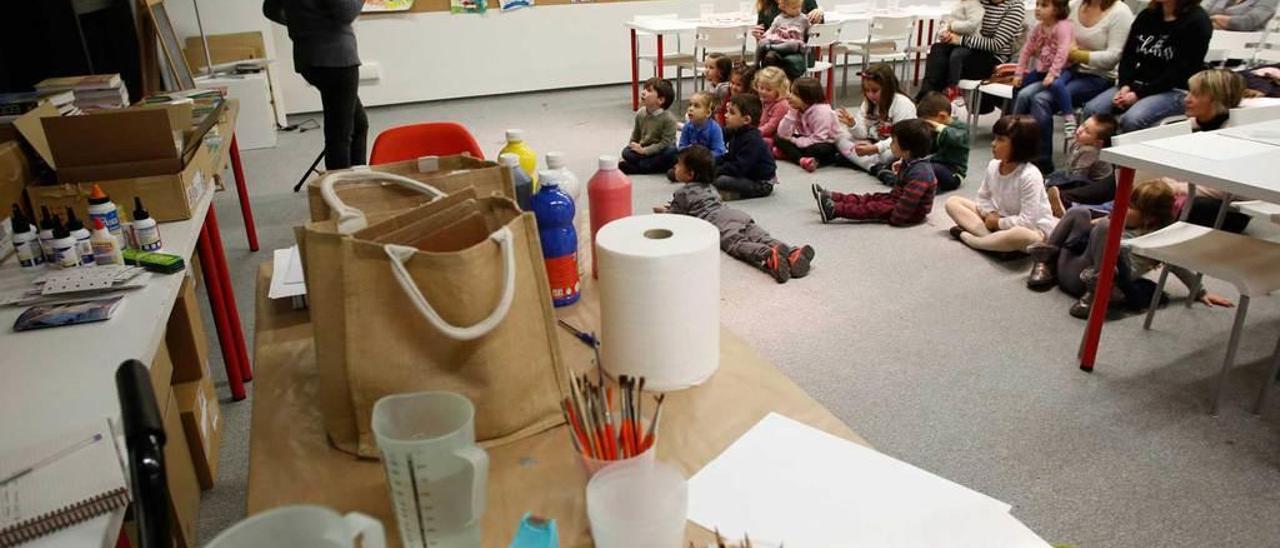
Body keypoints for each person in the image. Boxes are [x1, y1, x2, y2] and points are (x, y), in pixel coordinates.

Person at [1026, 180, 1234, 318]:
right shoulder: (1121, 223)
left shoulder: (1155, 240)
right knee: (1079, 212)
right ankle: (1044, 260)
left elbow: (1177, 266)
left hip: (1090, 283)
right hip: (1069, 269)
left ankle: (1097, 290)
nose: (1122, 207)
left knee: (1106, 227)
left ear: (1150, 217)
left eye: (1131, 207)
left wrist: (1199, 292)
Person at [656, 146, 816, 283]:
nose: (675, 168)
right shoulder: (711, 187)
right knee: (761, 236)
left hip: (718, 223)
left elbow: (675, 219)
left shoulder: (682, 193)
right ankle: (792, 252)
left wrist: (664, 212)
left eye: (678, 165)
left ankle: (766, 255)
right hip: (735, 214)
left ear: (690, 174)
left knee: (736, 244)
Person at [1013, 0, 1134, 173]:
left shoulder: (1120, 13)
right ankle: (1022, 150)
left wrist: (1076, 54)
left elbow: (1113, 57)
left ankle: (1043, 163)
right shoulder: (1076, 6)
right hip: (1067, 70)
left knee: (1041, 99)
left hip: (1098, 75)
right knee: (1025, 93)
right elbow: (1056, 33)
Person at [264, 0, 369, 170]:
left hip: (309, 58)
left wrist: (304, 26)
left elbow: (270, 10)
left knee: (358, 124)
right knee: (340, 135)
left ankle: (356, 179)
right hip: (337, 60)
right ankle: (340, 188)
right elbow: (346, 12)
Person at [1080, 0, 1212, 133]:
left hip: (1175, 89)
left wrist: (1138, 94)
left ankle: (1124, 152)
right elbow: (1128, 56)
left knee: (1132, 120)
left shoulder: (1198, 21)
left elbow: (1180, 71)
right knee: (1093, 109)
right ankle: (1093, 153)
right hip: (1138, 84)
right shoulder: (1147, 15)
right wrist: (1125, 85)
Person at [945, 115, 1057, 254]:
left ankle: (976, 241)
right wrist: (990, 214)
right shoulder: (993, 165)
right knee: (953, 202)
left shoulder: (1030, 175)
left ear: (1019, 146)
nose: (993, 143)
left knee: (1022, 235)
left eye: (1000, 140)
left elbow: (1028, 221)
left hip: (1032, 230)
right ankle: (994, 242)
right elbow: (982, 198)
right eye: (995, 138)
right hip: (999, 218)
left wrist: (998, 223)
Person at [1169, 69, 1252, 232]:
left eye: (1196, 94)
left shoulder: (1238, 136)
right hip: (1187, 190)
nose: (1187, 99)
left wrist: (1173, 187)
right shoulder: (1187, 128)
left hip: (1229, 207)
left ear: (1217, 99)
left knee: (1197, 206)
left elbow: (1230, 189)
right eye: (1189, 92)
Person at [812, 119, 938, 225]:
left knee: (873, 208)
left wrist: (897, 218)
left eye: (894, 142)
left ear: (907, 150)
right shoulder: (910, 161)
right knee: (871, 198)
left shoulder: (921, 173)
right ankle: (834, 197)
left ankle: (835, 209)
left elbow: (909, 202)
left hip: (911, 213)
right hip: (897, 198)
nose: (891, 145)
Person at [918, 0, 1027, 104]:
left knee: (950, 61)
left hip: (992, 58)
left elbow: (996, 44)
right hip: (967, 49)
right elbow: (956, 18)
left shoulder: (1015, 6)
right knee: (938, 49)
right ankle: (926, 99)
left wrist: (960, 40)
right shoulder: (978, 2)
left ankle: (932, 104)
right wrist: (947, 32)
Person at [835, 64, 917, 177]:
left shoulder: (903, 104)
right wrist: (853, 124)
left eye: (875, 90)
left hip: (894, 145)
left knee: (887, 155)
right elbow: (863, 134)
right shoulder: (868, 103)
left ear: (888, 88)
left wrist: (876, 148)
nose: (870, 95)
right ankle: (873, 166)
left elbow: (901, 137)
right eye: (867, 91)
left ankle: (868, 165)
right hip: (873, 142)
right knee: (839, 136)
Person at [1013, 0, 1077, 136]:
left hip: (1062, 70)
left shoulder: (1063, 26)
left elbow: (1063, 51)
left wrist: (1053, 73)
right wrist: (1018, 73)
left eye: (1044, 5)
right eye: (1037, 5)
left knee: (1057, 85)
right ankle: (1015, 120)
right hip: (1042, 70)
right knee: (1019, 86)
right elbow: (1026, 50)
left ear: (1057, 9)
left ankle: (1069, 116)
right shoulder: (1039, 27)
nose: (1038, 9)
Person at [1045, 113, 1119, 216]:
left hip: (1091, 184)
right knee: (1055, 176)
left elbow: (1078, 174)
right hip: (1079, 175)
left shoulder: (1090, 151)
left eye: (1087, 132)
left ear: (1098, 142)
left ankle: (1063, 201)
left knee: (1067, 181)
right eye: (1083, 125)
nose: (1080, 130)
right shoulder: (1080, 142)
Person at [715, 94, 779, 199]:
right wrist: (712, 162)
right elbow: (730, 156)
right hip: (746, 174)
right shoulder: (737, 132)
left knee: (720, 180)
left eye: (731, 113)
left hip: (760, 182)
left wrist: (716, 170)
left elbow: (739, 167)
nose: (726, 115)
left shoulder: (752, 140)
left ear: (746, 120)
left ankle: (737, 194)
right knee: (716, 176)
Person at [775, 77, 843, 172]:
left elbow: (819, 138)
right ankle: (803, 160)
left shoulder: (821, 112)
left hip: (826, 142)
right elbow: (782, 133)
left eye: (795, 94)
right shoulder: (797, 108)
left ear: (807, 98)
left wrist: (795, 141)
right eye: (791, 92)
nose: (789, 96)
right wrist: (791, 114)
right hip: (807, 138)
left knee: (817, 150)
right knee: (778, 137)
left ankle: (795, 156)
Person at [619, 77, 680, 175]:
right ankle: (647, 166)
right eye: (644, 89)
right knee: (626, 152)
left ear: (660, 100)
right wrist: (632, 146)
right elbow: (636, 135)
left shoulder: (669, 119)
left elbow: (664, 144)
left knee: (672, 152)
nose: (643, 92)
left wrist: (644, 151)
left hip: (660, 151)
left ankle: (639, 168)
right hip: (644, 149)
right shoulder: (641, 113)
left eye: (649, 91)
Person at [753, 0, 826, 78]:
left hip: (800, 51)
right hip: (775, 48)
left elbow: (818, 32)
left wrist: (819, 14)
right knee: (770, 58)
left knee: (785, 62)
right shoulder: (766, 5)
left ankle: (784, 88)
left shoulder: (805, 3)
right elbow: (765, 35)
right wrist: (757, 34)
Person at [916, 92, 970, 192]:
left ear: (942, 116)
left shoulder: (961, 128)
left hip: (952, 172)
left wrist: (938, 127)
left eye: (929, 123)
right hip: (935, 164)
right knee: (914, 164)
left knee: (928, 168)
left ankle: (925, 187)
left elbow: (955, 138)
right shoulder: (934, 130)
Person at [756, 0, 812, 69]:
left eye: (800, 7)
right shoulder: (779, 18)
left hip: (793, 42)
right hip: (779, 40)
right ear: (784, 8)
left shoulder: (803, 18)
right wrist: (764, 36)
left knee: (793, 44)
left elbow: (811, 30)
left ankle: (771, 47)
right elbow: (771, 29)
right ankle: (756, 64)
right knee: (763, 42)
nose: (798, 10)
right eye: (794, 8)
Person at [753, 67, 792, 150]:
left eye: (768, 89)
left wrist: (756, 132)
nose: (763, 91)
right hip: (765, 132)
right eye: (761, 88)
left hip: (777, 137)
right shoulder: (766, 100)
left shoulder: (781, 105)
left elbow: (772, 126)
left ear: (779, 90)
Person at [1205, 0, 1279, 30]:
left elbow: (1248, 22)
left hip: (1238, 45)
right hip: (1206, 36)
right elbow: (1204, 12)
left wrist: (1214, 18)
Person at [706, 53, 735, 126]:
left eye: (711, 68)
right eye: (706, 67)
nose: (706, 70)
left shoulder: (723, 88)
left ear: (721, 72)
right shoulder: (711, 84)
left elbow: (718, 109)